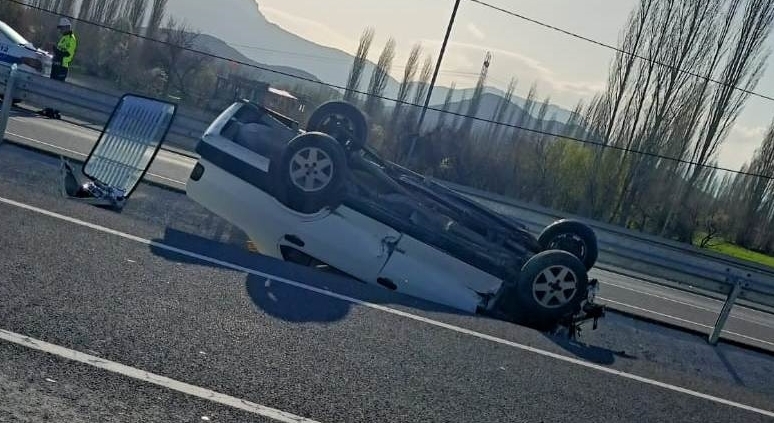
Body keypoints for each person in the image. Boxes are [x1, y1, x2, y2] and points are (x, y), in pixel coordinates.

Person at [40, 17, 77, 119]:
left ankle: (55, 110)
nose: (60, 30)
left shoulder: (71, 39)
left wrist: (55, 49)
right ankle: (49, 109)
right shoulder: (64, 38)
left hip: (62, 67)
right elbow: (59, 51)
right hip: (56, 65)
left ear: (66, 27)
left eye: (61, 28)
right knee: (51, 88)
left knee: (57, 89)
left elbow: (67, 54)